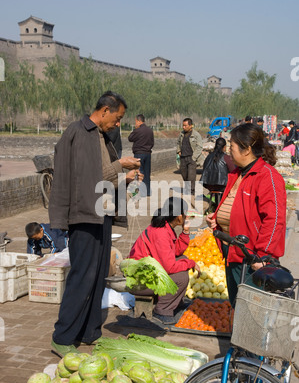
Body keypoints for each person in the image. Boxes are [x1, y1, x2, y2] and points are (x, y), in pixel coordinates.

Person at [49, 90, 142, 357]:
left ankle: (90, 331)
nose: (118, 123)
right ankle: (62, 336)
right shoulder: (79, 133)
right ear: (104, 111)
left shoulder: (101, 136)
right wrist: (119, 165)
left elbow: (104, 179)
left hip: (101, 213)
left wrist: (125, 175)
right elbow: (87, 178)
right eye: (117, 117)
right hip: (84, 214)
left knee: (98, 274)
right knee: (82, 275)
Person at [206, 122, 286, 307]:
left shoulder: (267, 177)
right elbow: (236, 204)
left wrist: (263, 256)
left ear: (246, 149)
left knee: (251, 308)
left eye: (232, 147)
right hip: (232, 251)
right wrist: (217, 218)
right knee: (237, 303)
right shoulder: (237, 173)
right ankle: (239, 334)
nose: (229, 152)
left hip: (252, 258)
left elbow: (275, 221)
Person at [128, 197, 200, 325]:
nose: (186, 218)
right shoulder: (161, 233)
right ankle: (162, 310)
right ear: (179, 217)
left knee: (183, 259)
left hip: (148, 273)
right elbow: (169, 268)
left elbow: (176, 252)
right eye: (185, 215)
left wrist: (185, 231)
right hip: (138, 281)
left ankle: (175, 302)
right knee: (181, 278)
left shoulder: (166, 227)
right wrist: (191, 264)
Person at [201, 138, 235, 208]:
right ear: (224, 147)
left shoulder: (208, 157)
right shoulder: (226, 158)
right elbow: (233, 171)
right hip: (221, 186)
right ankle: (223, 206)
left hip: (208, 184)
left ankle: (216, 205)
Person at [176, 118, 203, 199]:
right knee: (184, 174)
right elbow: (178, 143)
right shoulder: (181, 134)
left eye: (185, 125)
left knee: (191, 175)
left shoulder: (196, 135)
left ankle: (191, 191)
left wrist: (194, 157)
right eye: (183, 125)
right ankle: (188, 189)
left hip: (192, 158)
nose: (183, 127)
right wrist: (178, 151)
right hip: (183, 158)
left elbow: (199, 146)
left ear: (190, 126)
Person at [128, 114, 154, 196]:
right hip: (148, 154)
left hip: (139, 154)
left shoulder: (138, 130)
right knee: (147, 173)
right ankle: (148, 192)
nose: (135, 123)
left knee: (139, 173)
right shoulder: (150, 130)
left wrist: (135, 129)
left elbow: (130, 138)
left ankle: (140, 192)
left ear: (139, 121)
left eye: (136, 122)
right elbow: (152, 142)